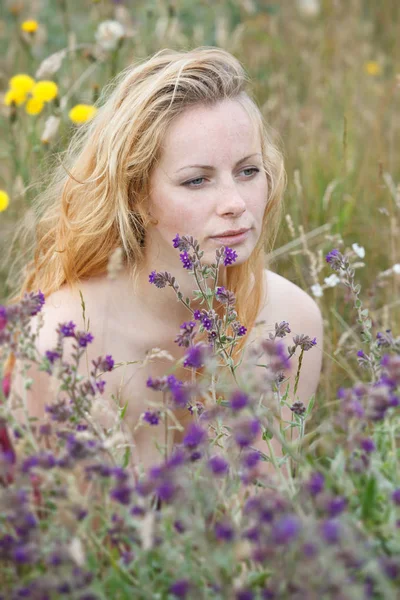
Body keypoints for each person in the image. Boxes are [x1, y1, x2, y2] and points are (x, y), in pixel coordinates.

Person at [4, 47, 323, 476]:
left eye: (248, 171)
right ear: (137, 196)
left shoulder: (289, 319)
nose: (235, 203)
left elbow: (262, 523)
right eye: (197, 180)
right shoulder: (62, 346)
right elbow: (78, 537)